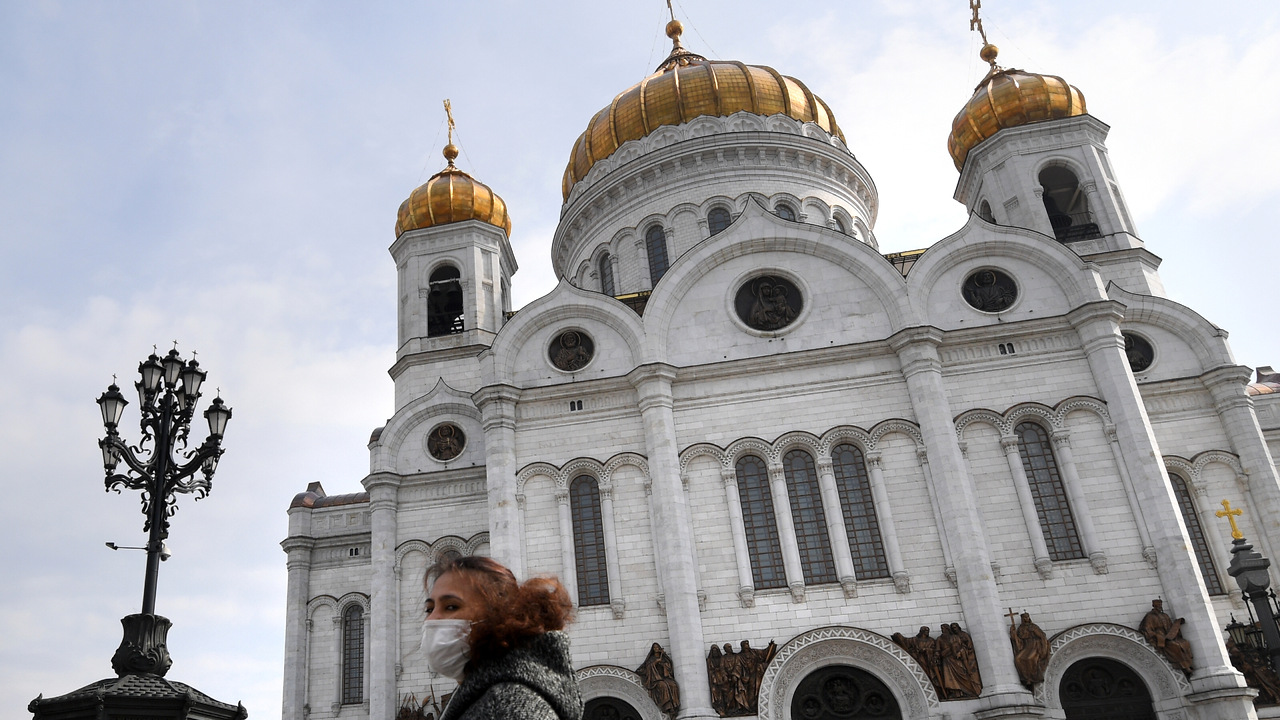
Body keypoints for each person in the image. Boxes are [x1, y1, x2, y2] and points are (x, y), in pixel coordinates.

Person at [423, 555, 583, 720]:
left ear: (498, 615)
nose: (431, 620)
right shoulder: (484, 695)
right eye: (429, 609)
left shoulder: (510, 705)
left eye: (451, 606)